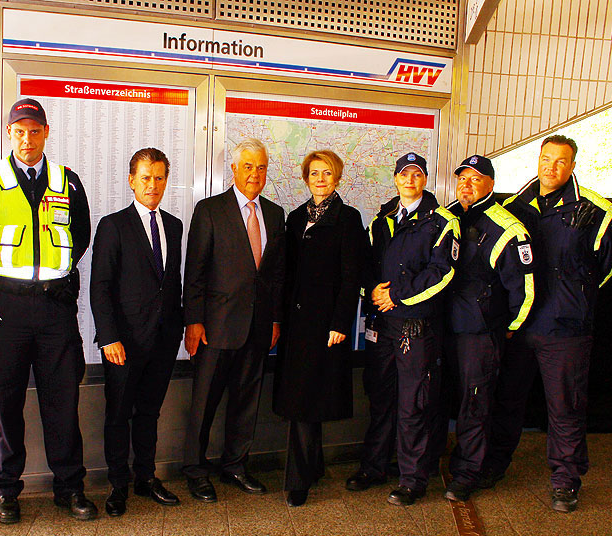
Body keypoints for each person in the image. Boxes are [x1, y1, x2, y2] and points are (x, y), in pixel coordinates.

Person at [0, 98, 96, 523]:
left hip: (55, 308)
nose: (27, 138)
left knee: (62, 400)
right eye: (19, 130)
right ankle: (5, 491)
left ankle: (69, 488)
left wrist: (54, 276)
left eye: (34, 130)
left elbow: (81, 235)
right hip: (6, 310)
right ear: (9, 133)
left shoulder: (67, 182)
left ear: (46, 132)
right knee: (6, 401)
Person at [481, 135, 612, 513]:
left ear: (573, 165)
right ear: (538, 160)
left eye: (561, 162)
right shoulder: (514, 206)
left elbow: (609, 265)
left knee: (565, 407)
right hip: (519, 325)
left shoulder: (597, 212)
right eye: (546, 159)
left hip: (565, 328)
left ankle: (565, 480)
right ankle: (495, 464)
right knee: (507, 398)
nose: (552, 167)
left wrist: (576, 295)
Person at [346, 152, 460, 506]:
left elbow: (442, 273)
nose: (410, 180)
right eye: (404, 174)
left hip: (415, 327)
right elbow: (364, 265)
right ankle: (375, 466)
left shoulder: (443, 222)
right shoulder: (380, 221)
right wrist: (374, 291)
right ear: (395, 178)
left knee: (414, 404)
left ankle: (413, 478)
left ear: (425, 180)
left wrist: (397, 295)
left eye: (417, 174)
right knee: (381, 398)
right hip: (382, 325)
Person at [182, 138, 285, 502]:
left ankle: (235, 465)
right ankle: (195, 470)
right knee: (204, 403)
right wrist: (193, 322)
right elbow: (194, 271)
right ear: (234, 170)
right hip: (215, 327)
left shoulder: (275, 214)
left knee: (246, 402)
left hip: (257, 328)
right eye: (248, 166)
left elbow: (274, 275)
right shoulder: (210, 210)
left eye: (260, 168)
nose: (254, 174)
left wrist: (274, 320)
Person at [89, 148, 183, 517]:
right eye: (146, 177)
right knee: (118, 414)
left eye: (159, 177)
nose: (153, 185)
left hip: (162, 339)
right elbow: (100, 286)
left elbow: (171, 282)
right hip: (123, 344)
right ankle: (118, 485)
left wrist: (177, 328)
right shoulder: (113, 225)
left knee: (149, 413)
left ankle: (146, 477)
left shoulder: (173, 225)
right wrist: (108, 336)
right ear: (131, 180)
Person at [273, 151, 368, 507]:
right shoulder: (296, 218)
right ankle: (312, 468)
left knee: (304, 401)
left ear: (337, 177)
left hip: (327, 327)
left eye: (327, 173)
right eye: (314, 173)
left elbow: (351, 275)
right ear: (306, 178)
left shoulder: (348, 218)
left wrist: (341, 321)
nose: (321, 179)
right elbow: (287, 272)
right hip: (297, 326)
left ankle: (297, 480)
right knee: (303, 400)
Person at [440, 156, 535, 502]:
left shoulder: (505, 227)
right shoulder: (448, 217)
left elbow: (523, 290)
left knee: (474, 405)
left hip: (480, 334)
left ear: (491, 185)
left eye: (475, 179)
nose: (466, 185)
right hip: (446, 327)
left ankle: (468, 473)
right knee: (442, 398)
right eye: (462, 179)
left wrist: (507, 328)